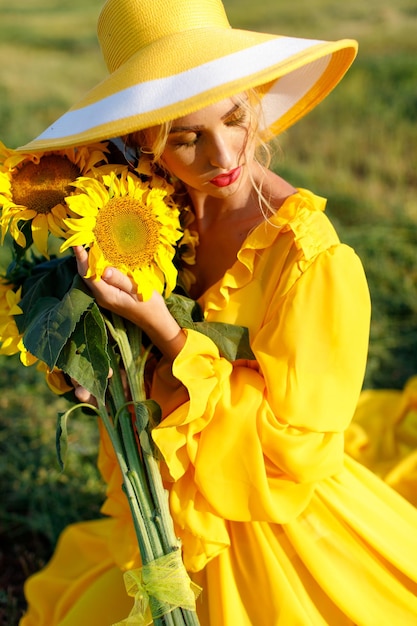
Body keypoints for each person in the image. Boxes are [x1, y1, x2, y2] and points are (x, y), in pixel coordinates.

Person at [17, 0, 417, 624]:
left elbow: (299, 450)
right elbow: (119, 354)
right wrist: (96, 371)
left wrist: (165, 327)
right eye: (187, 138)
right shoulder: (143, 209)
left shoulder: (311, 258)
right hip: (170, 506)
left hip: (269, 512)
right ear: (146, 144)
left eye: (235, 119)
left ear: (255, 100)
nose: (224, 156)